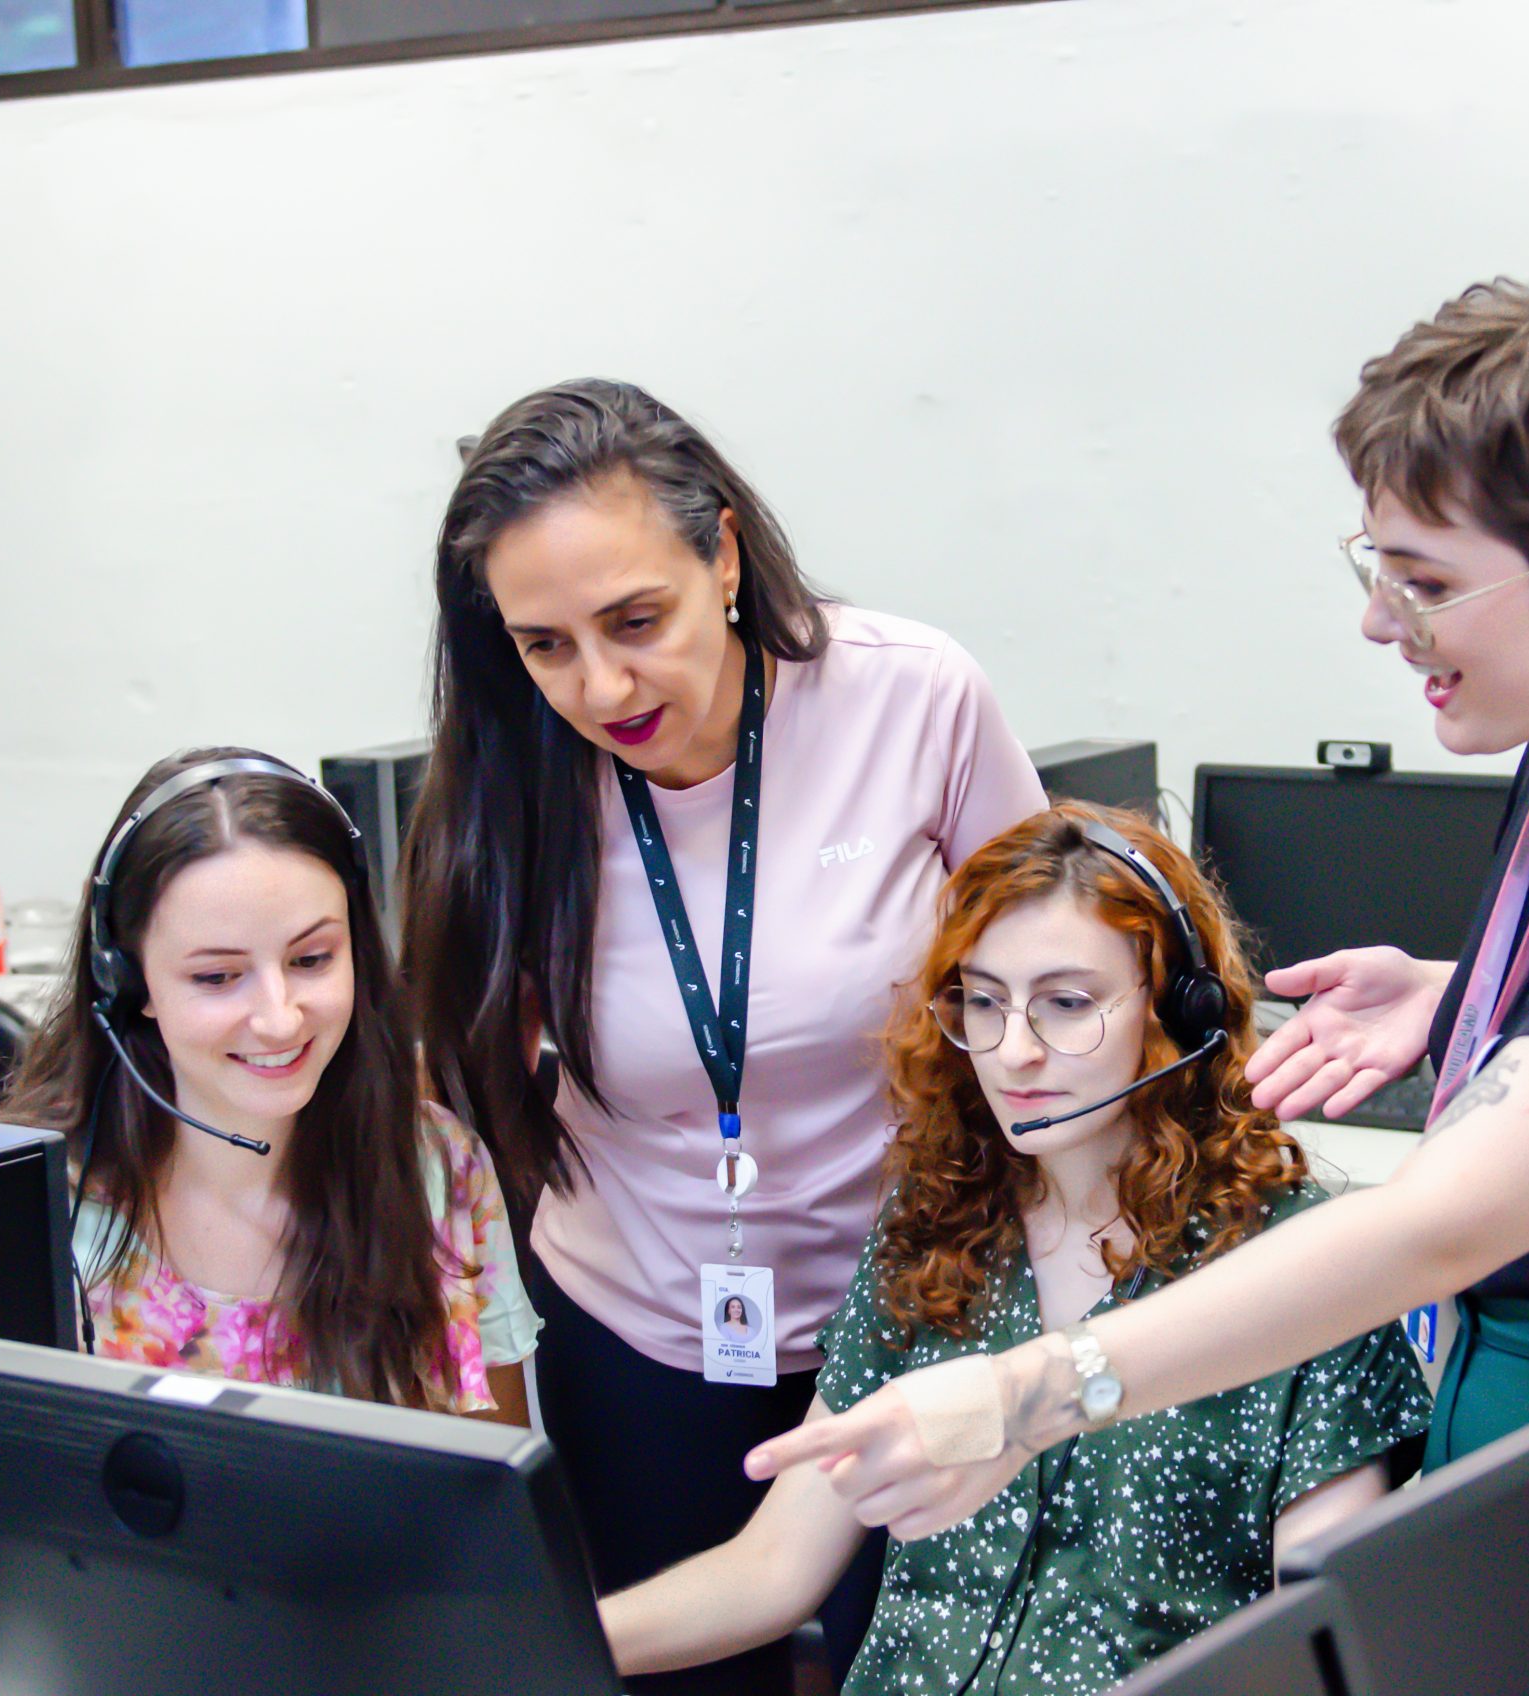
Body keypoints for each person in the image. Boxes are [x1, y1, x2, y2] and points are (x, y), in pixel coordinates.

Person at [753, 282, 1529, 1696]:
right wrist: (1467, 997)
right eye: (1376, 569)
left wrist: (1035, 1391)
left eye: (1429, 583)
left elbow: (1435, 1231)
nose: (1386, 624)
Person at [400, 380, 1045, 1692]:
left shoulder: (911, 699)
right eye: (545, 644)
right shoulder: (514, 775)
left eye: (638, 620)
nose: (603, 684)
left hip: (914, 1317)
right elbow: (447, 1073)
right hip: (639, 1338)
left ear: (728, 558)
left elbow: (1065, 982)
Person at [602, 805, 1429, 1693]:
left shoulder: (1303, 1266)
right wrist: (506, 1645)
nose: (1014, 1053)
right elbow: (771, 1573)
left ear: (1181, 1014)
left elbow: (1309, 1650)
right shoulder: (937, 1221)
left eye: (1068, 1005)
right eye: (984, 1002)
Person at [0, 748, 539, 1422]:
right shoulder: (34, 1209)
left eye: (312, 959)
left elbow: (495, 1486)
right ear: (126, 980)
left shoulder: (439, 1167)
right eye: (218, 977)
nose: (279, 1019)